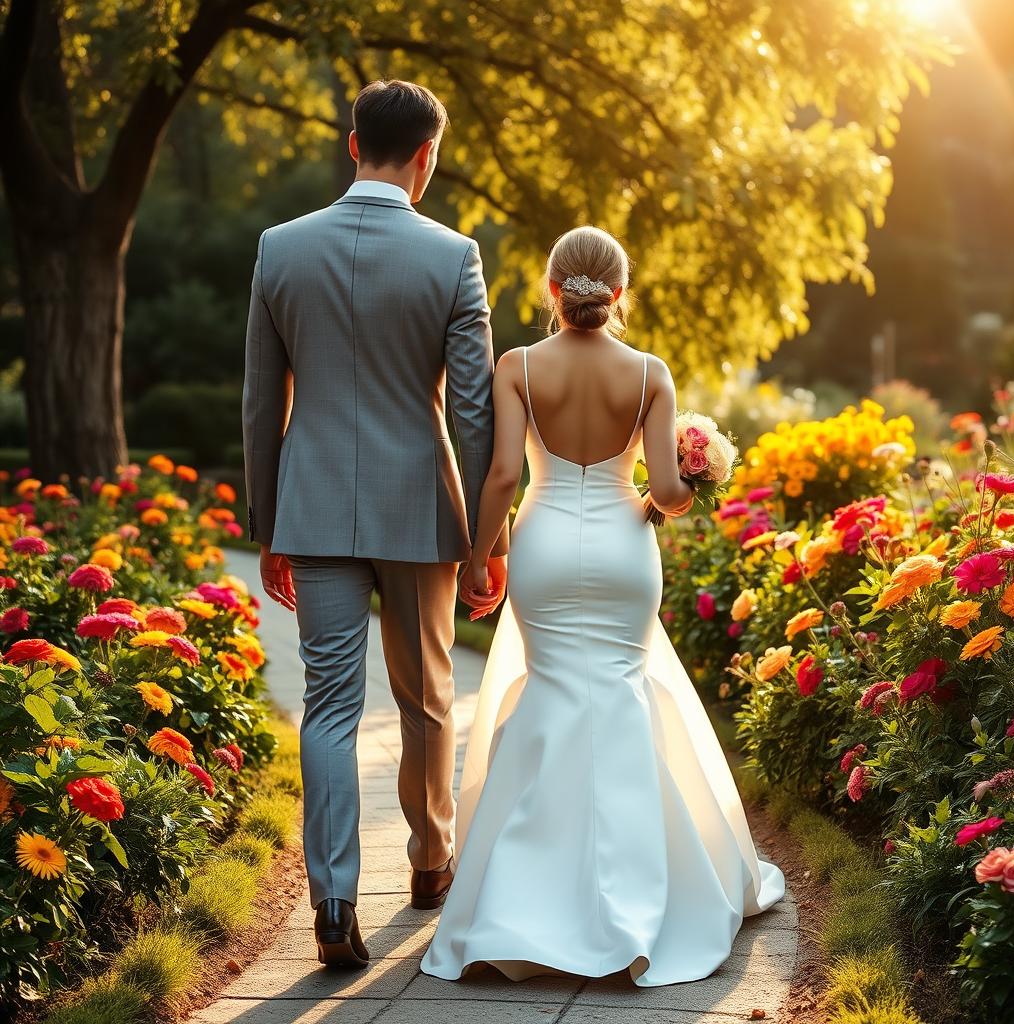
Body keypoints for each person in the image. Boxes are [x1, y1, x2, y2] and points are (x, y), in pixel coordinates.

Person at [420, 226, 785, 986]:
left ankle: (522, 903)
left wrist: (477, 557)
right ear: (620, 294)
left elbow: (500, 479)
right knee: (621, 697)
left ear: (553, 290)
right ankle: (638, 900)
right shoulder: (650, 373)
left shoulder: (517, 365)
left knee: (551, 695)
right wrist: (690, 473)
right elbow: (667, 495)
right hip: (623, 554)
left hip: (547, 545)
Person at [241, 79, 508, 969]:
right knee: (428, 698)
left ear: (352, 145)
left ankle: (332, 897)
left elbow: (258, 403)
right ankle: (430, 863)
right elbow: (474, 414)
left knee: (327, 707)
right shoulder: (454, 257)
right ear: (426, 155)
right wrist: (485, 541)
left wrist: (267, 522)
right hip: (421, 512)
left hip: (311, 507)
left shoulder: (280, 249)